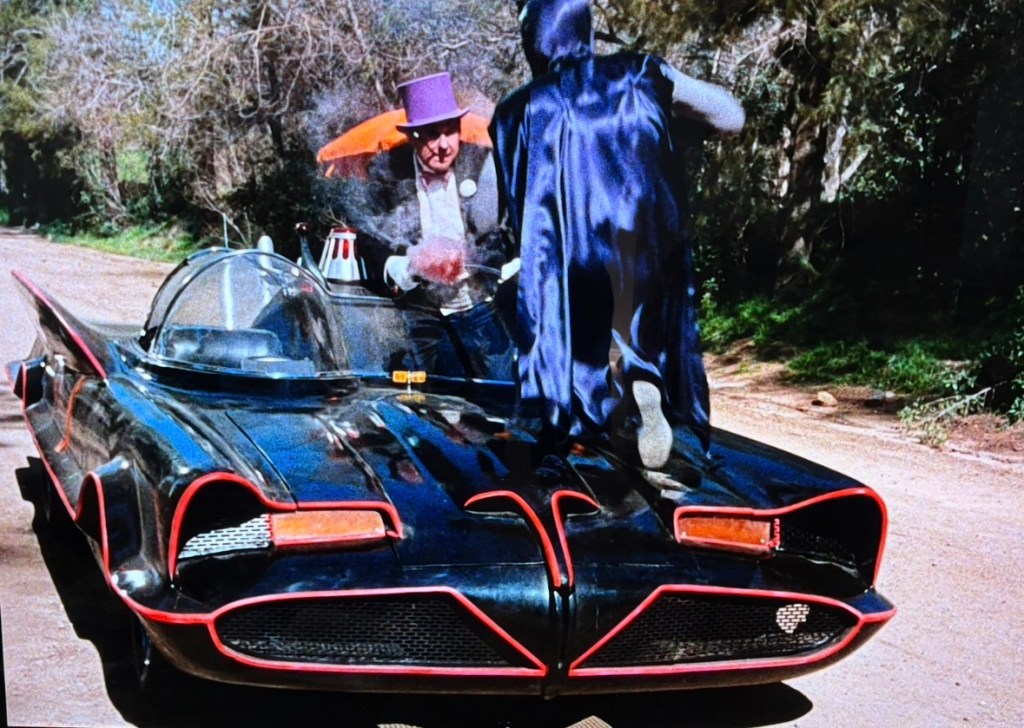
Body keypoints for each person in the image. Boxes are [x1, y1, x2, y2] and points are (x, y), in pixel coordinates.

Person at [490, 0, 745, 467]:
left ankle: (568, 414)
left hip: (568, 254)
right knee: (643, 315)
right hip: (639, 241)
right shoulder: (640, 71)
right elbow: (732, 118)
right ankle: (646, 381)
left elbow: (508, 214)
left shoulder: (516, 111)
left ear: (534, 42)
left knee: (569, 320)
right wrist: (670, 113)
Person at [339, 72, 517, 377]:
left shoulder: (484, 163)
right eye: (433, 134)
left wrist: (479, 261)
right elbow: (368, 239)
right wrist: (407, 265)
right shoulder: (386, 173)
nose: (445, 145)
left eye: (451, 132)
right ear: (412, 136)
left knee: (497, 391)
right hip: (417, 310)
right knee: (414, 396)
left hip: (477, 302)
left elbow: (505, 229)